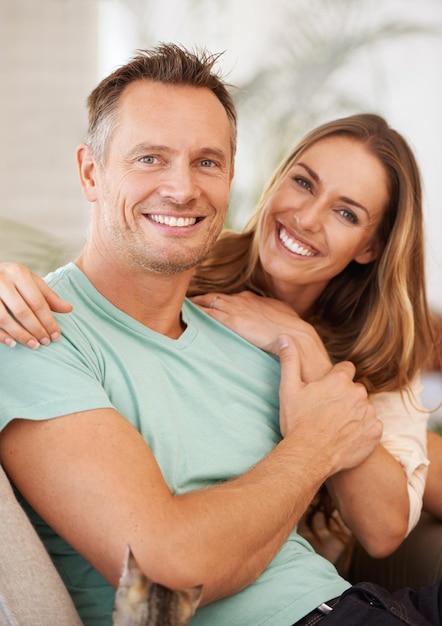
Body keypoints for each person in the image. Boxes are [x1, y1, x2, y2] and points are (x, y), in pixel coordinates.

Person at [0, 44, 439, 626]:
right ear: (90, 171)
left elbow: (385, 513)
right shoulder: (34, 332)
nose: (182, 189)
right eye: (150, 158)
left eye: (207, 162)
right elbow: (161, 579)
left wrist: (301, 349)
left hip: (361, 603)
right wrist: (313, 448)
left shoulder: (243, 332)